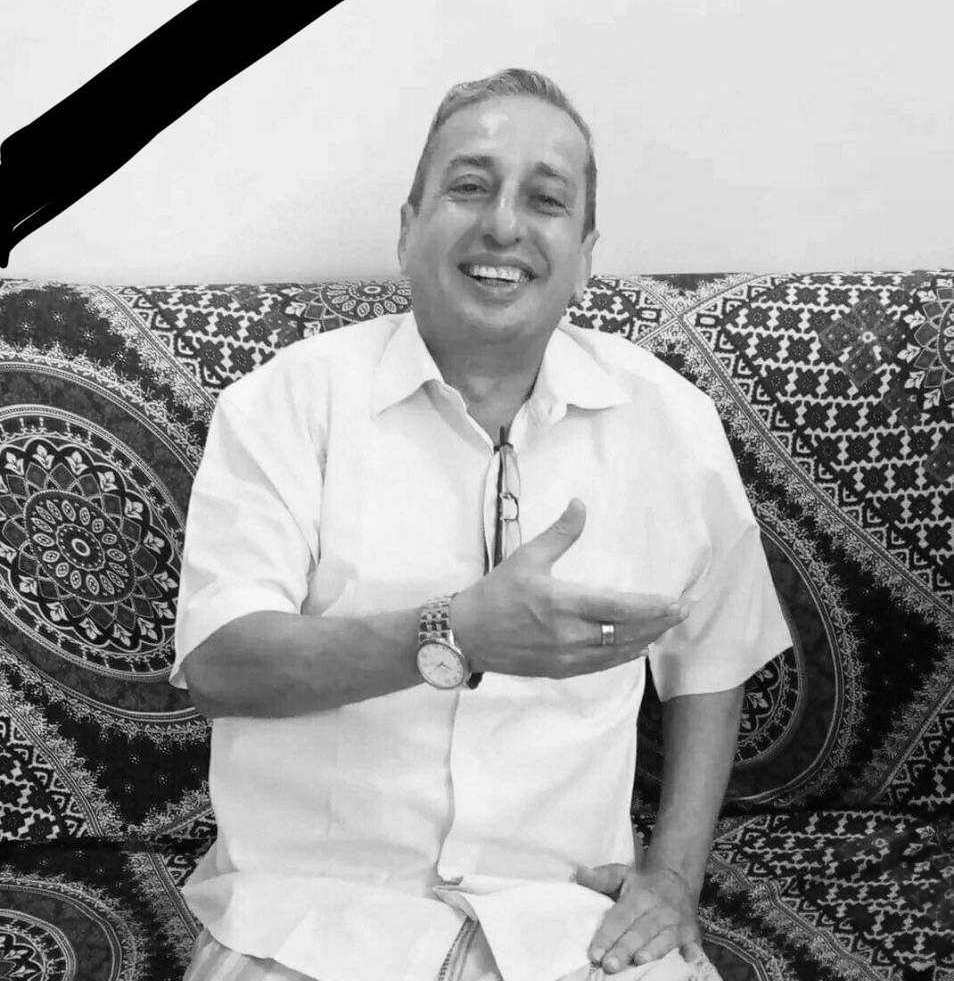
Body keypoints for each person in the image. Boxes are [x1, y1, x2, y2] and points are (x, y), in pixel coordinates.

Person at [170, 67, 792, 981]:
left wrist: (672, 877)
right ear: (407, 228)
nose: (504, 224)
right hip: (308, 921)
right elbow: (220, 668)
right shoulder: (282, 405)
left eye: (546, 200)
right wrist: (451, 633)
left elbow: (714, 658)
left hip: (569, 923)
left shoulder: (669, 421)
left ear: (584, 253)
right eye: (470, 186)